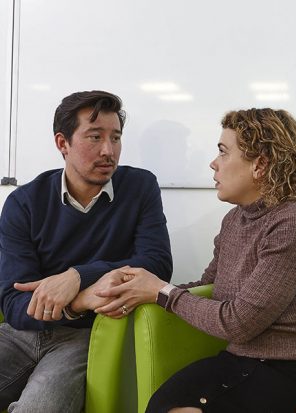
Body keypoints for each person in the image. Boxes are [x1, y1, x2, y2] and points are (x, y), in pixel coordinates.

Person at [95, 108, 296, 412]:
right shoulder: (235, 220)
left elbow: (239, 323)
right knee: (163, 403)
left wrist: (160, 291)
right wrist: (138, 287)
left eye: (223, 152)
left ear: (260, 165)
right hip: (246, 359)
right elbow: (208, 286)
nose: (213, 163)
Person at [0, 90, 173, 412]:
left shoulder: (139, 187)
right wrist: (79, 298)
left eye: (116, 138)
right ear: (62, 143)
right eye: (94, 137)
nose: (108, 151)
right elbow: (13, 301)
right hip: (19, 332)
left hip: (85, 337)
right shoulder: (24, 202)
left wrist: (78, 275)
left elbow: (157, 264)